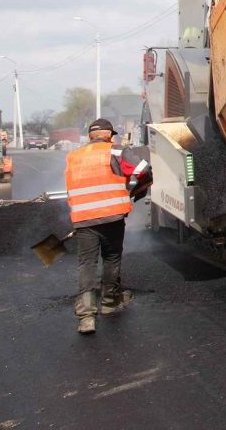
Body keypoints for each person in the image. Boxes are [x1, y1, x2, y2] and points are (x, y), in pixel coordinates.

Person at [65, 117, 151, 335]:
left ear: (89, 136)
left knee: (87, 264)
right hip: (112, 217)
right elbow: (144, 170)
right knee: (111, 257)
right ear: (110, 135)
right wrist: (137, 191)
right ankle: (109, 302)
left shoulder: (73, 157)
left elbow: (72, 189)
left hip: (83, 219)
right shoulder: (116, 151)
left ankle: (86, 318)